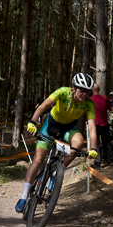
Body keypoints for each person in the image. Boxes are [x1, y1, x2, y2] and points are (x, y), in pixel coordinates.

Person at [14, 73, 99, 213]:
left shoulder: (89, 104)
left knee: (78, 143)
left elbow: (92, 128)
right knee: (38, 159)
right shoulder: (63, 92)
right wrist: (32, 122)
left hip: (68, 129)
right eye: (81, 90)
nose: (84, 94)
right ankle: (23, 197)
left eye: (87, 91)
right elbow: (44, 105)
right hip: (50, 126)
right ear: (73, 88)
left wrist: (93, 148)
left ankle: (57, 172)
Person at [90, 83, 112, 166]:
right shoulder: (105, 98)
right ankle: (110, 160)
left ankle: (98, 162)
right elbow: (109, 108)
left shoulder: (90, 100)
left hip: (95, 125)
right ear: (99, 89)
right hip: (104, 124)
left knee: (96, 143)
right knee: (106, 142)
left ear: (92, 90)